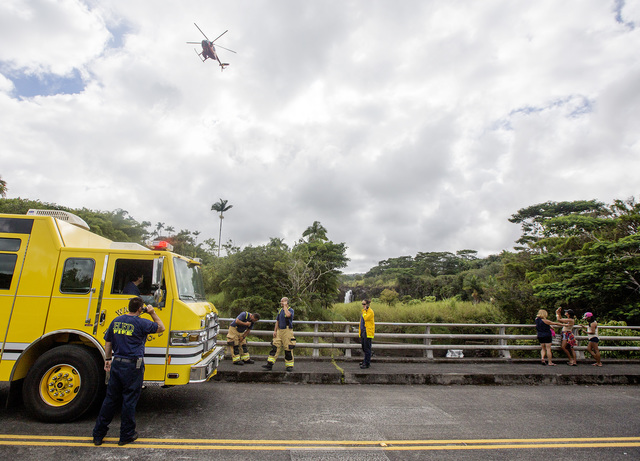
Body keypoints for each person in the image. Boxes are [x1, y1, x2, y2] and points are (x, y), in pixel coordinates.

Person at [92, 296, 165, 446]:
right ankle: (126, 435)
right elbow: (161, 327)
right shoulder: (142, 322)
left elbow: (108, 342)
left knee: (110, 400)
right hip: (133, 366)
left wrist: (107, 360)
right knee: (129, 400)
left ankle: (98, 434)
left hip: (117, 362)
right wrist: (151, 312)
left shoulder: (116, 321)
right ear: (140, 309)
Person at [262, 297, 295, 372]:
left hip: (287, 331)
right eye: (281, 302)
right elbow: (277, 321)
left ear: (286, 302)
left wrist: (285, 307)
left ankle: (289, 365)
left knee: (288, 348)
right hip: (279, 330)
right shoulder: (280, 311)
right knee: (275, 346)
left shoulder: (290, 310)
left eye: (282, 301)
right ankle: (269, 364)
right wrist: (275, 331)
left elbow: (288, 315)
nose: (281, 303)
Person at [359, 299, 375, 369]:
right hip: (363, 331)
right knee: (363, 347)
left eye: (364, 304)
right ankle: (365, 360)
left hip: (368, 332)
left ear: (367, 305)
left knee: (367, 348)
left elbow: (366, 318)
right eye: (362, 304)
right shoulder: (364, 311)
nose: (363, 305)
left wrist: (365, 311)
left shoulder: (370, 312)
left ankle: (367, 363)